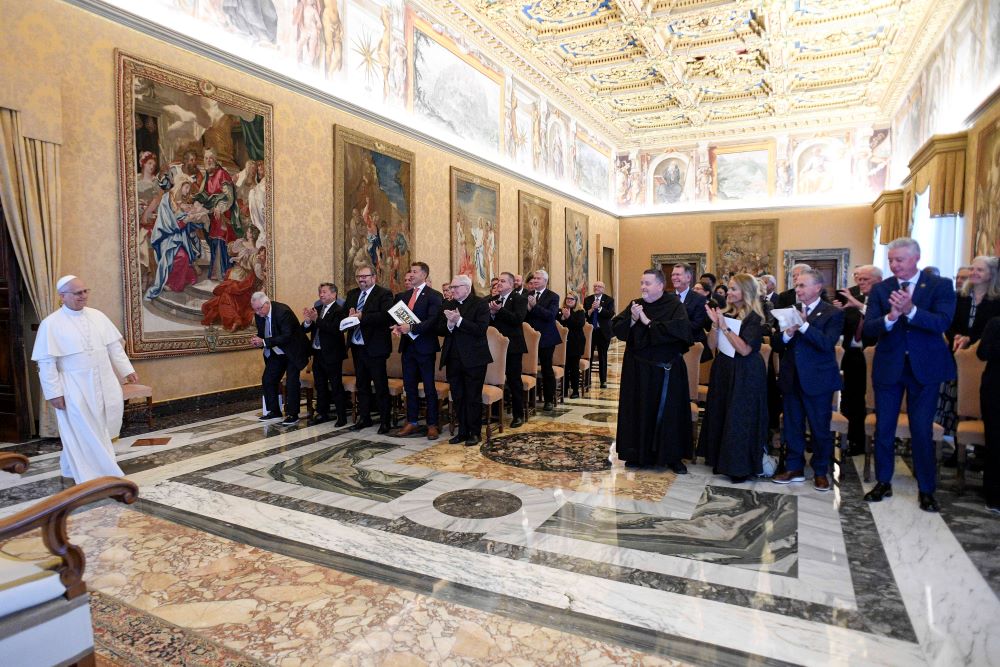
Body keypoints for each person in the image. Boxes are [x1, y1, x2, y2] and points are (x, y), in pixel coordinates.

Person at [863, 237, 956, 512]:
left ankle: (926, 489)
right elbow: (869, 328)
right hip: (889, 367)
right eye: (891, 260)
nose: (894, 265)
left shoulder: (939, 286)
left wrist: (911, 311)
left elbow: (942, 322)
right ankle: (883, 482)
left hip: (924, 369)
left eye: (899, 260)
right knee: (884, 428)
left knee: (921, 430)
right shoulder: (882, 289)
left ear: (916, 258)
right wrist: (891, 317)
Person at [31, 276, 137, 483]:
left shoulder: (98, 316)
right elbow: (46, 363)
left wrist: (126, 370)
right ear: (63, 296)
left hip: (103, 378)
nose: (84, 296)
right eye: (78, 293)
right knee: (82, 427)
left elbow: (114, 347)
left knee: (102, 424)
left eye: (85, 291)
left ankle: (72, 467)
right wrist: (54, 393)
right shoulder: (50, 324)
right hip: (74, 384)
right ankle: (101, 472)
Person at [770, 269, 844, 491]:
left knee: (820, 428)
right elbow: (776, 344)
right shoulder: (788, 312)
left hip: (818, 380)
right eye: (797, 285)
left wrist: (803, 326)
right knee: (792, 426)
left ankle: (821, 470)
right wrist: (787, 334)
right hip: (791, 378)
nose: (798, 290)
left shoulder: (832, 313)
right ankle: (794, 467)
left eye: (802, 285)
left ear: (817, 288)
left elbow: (826, 343)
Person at [613, 269, 692, 472]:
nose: (643, 287)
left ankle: (673, 457)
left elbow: (681, 332)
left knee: (670, 413)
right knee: (639, 410)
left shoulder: (674, 305)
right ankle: (637, 454)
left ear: (660, 285)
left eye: (647, 283)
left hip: (666, 371)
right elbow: (617, 329)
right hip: (638, 370)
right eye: (641, 283)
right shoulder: (636, 304)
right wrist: (632, 319)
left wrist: (647, 322)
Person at [697, 274, 770, 482]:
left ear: (746, 292)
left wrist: (725, 327)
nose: (728, 292)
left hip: (745, 372)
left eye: (734, 289)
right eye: (729, 288)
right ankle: (719, 459)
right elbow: (711, 346)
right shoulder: (727, 313)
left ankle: (739, 466)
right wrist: (714, 325)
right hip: (724, 369)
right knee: (721, 412)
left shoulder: (755, 318)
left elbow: (745, 349)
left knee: (739, 418)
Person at [438, 274, 492, 446]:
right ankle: (462, 431)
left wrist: (459, 320)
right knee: (458, 396)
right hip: (453, 358)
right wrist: (449, 325)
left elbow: (480, 329)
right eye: (451, 287)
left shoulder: (480, 304)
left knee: (473, 397)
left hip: (474, 359)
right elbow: (440, 328)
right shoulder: (448, 304)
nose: (452, 290)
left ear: (467, 288)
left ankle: (475, 433)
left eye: (455, 287)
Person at [834, 264, 882, 455]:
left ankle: (866, 440)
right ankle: (851, 439)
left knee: (868, 399)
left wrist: (860, 306)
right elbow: (844, 327)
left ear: (879, 280)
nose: (860, 283)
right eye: (859, 279)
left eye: (865, 279)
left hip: (875, 357)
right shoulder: (854, 299)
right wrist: (837, 312)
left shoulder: (885, 298)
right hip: (852, 355)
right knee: (850, 398)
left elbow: (881, 322)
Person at [392, 262, 443, 440]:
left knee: (429, 387)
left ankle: (432, 424)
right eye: (410, 271)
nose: (411, 275)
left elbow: (432, 321)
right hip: (408, 348)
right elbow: (400, 319)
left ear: (424, 275)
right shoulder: (404, 296)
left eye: (414, 272)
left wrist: (411, 328)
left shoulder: (434, 295)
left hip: (425, 347)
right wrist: (398, 328)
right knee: (410, 387)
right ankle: (412, 421)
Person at [344, 264, 394, 433]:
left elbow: (386, 316)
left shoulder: (384, 294)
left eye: (365, 276)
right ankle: (364, 418)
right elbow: (345, 315)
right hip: (357, 347)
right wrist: (349, 317)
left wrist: (363, 316)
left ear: (373, 277)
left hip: (376, 347)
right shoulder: (352, 294)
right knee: (362, 385)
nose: (361, 279)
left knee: (380, 386)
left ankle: (385, 421)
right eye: (359, 277)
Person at [250, 292, 309, 426]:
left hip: (293, 350)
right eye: (255, 309)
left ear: (267, 303)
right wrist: (257, 340)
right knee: (268, 379)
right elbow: (262, 334)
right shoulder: (259, 315)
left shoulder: (283, 312)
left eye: (259, 309)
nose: (257, 313)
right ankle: (274, 411)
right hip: (277, 351)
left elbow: (287, 336)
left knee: (291, 381)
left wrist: (264, 342)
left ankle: (293, 414)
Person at [302, 282, 348, 427]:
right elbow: (305, 329)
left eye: (324, 292)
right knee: (320, 385)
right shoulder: (317, 309)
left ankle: (341, 416)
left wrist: (317, 320)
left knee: (335, 385)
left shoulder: (339, 310)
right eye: (320, 292)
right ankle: (322, 413)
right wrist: (308, 322)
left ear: (334, 294)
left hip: (332, 354)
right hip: (317, 353)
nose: (321, 295)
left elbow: (335, 330)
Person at [489, 272, 528, 427]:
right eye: (498, 281)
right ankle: (496, 414)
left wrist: (499, 311)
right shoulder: (493, 300)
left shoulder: (520, 299)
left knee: (514, 380)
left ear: (511, 284)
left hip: (513, 346)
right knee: (494, 380)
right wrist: (491, 313)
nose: (499, 283)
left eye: (503, 281)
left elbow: (518, 319)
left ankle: (518, 415)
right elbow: (488, 321)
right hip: (495, 346)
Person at [525, 269, 561, 410]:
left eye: (538, 278)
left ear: (545, 281)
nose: (535, 280)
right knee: (527, 368)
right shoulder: (528, 295)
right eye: (534, 278)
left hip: (546, 338)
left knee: (546, 368)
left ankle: (549, 400)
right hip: (529, 338)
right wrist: (528, 309)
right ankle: (528, 400)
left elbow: (550, 316)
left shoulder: (553, 296)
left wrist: (535, 306)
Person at [976, 316, 1000, 513]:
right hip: (995, 390)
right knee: (995, 442)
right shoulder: (995, 323)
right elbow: (982, 353)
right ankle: (993, 495)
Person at [671, 263, 709, 357]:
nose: (674, 277)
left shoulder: (699, 299)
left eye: (678, 274)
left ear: (688, 278)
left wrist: (672, 329)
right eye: (673, 275)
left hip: (692, 347)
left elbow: (696, 325)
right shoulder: (666, 298)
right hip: (671, 348)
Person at [583, 281, 615, 388]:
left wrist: (600, 308)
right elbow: (585, 316)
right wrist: (591, 310)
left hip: (603, 332)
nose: (596, 288)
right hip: (591, 332)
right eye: (595, 286)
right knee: (589, 355)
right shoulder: (588, 299)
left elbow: (610, 314)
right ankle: (587, 380)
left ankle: (603, 381)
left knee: (602, 356)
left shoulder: (609, 300)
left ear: (603, 289)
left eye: (599, 286)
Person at [558, 293, 586, 399]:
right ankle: (564, 390)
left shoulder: (580, 312)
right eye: (567, 298)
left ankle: (575, 391)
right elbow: (557, 324)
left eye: (572, 299)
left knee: (574, 368)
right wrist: (562, 318)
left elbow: (579, 325)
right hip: (562, 343)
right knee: (564, 367)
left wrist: (568, 317)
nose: (569, 300)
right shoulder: (560, 311)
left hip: (576, 343)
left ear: (576, 301)